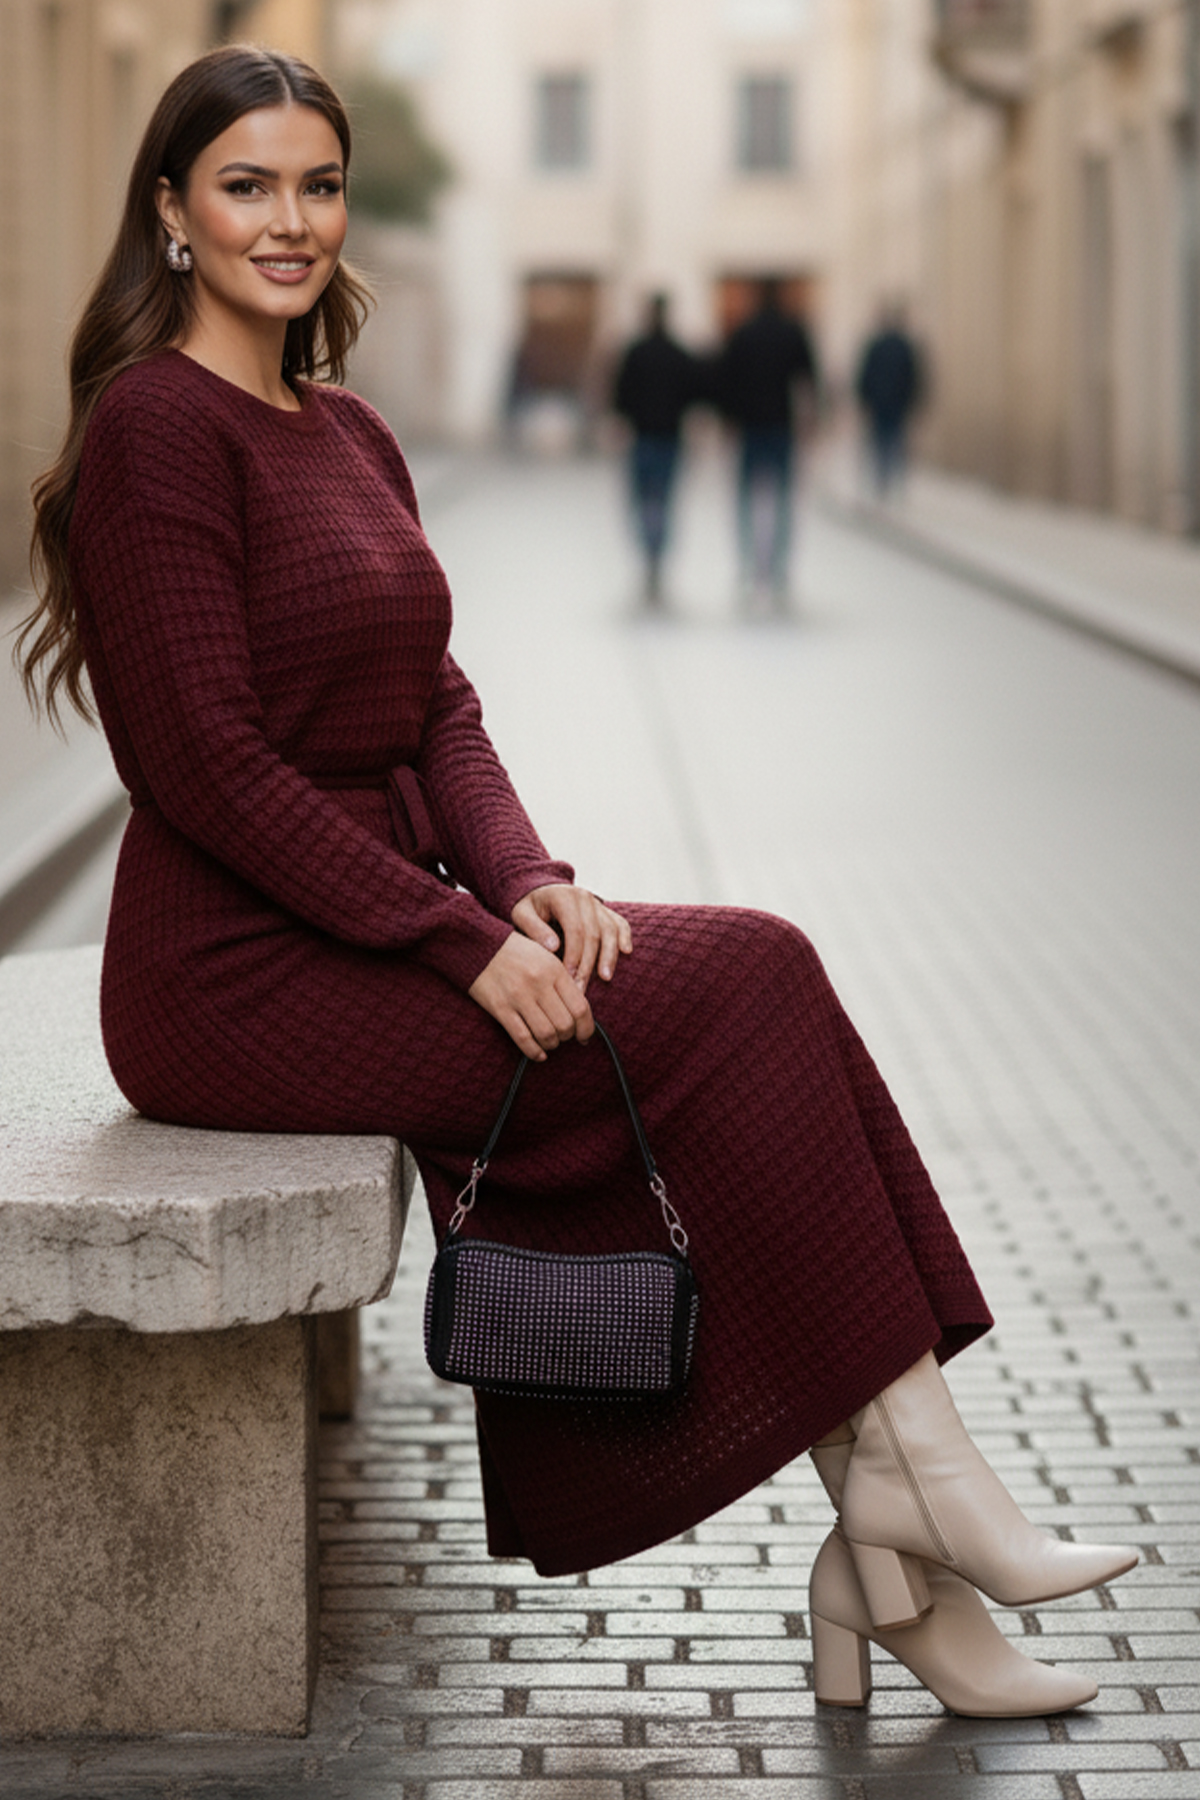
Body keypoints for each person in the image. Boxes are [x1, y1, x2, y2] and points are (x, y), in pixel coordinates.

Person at [19, 46, 1138, 1720]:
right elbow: (209, 774)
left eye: (317, 184)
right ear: (172, 211)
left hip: (380, 930)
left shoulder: (349, 432)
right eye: (247, 184)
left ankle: (900, 1518)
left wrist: (529, 879)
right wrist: (466, 945)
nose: (292, 219)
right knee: (734, 991)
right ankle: (908, 1515)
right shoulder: (155, 433)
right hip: (230, 978)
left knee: (749, 981)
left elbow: (438, 704)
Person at [717, 278, 819, 611]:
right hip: (780, 425)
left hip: (750, 427)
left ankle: (750, 569)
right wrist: (811, 421)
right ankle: (778, 572)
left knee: (747, 501)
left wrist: (728, 421)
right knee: (784, 502)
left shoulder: (743, 334)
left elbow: (727, 381)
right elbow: (808, 380)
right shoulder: (793, 332)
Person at [611, 294, 704, 605]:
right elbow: (694, 394)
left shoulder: (635, 352)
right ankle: (657, 558)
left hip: (643, 439)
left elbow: (620, 396)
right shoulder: (679, 353)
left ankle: (649, 558)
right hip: (670, 439)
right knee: (664, 502)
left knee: (642, 503)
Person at [856, 305, 924, 498]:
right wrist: (914, 401)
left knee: (881, 442)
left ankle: (883, 481)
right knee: (896, 442)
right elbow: (913, 377)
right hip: (897, 403)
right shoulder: (904, 347)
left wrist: (864, 399)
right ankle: (896, 482)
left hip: (880, 403)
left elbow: (865, 376)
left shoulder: (876, 346)